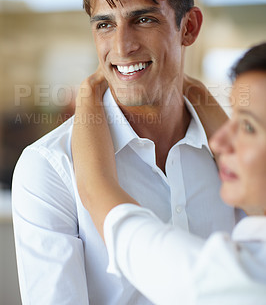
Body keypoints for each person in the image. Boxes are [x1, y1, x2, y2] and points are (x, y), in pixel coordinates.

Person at [12, 0, 241, 305]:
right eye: (104, 24)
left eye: (144, 19)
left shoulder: (239, 156)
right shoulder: (50, 168)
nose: (121, 46)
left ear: (189, 28)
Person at [72, 43, 266, 305]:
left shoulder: (242, 278)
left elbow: (105, 202)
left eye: (248, 127)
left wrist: (89, 92)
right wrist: (182, 81)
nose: (218, 143)